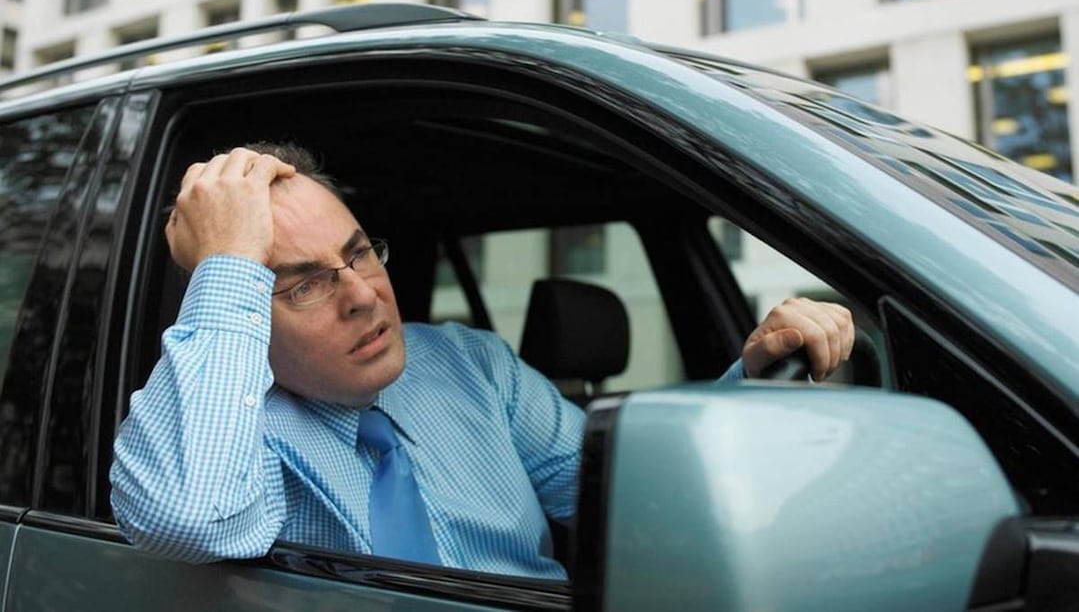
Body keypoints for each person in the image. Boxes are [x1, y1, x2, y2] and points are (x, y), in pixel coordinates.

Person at [110, 144, 854, 580]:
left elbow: (624, 496)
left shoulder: (468, 365)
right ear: (234, 303)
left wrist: (753, 377)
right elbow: (189, 517)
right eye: (303, 284)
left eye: (361, 253)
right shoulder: (226, 424)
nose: (365, 297)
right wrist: (230, 259)